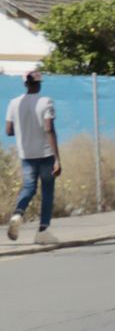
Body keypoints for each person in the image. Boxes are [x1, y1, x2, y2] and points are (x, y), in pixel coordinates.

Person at [6, 69, 60, 244]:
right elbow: (48, 129)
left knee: (29, 187)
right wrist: (57, 158)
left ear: (25, 83)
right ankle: (42, 231)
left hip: (26, 154)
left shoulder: (14, 103)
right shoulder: (46, 102)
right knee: (47, 192)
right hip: (45, 154)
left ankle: (18, 213)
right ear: (39, 83)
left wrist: (24, 129)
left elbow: (8, 130)